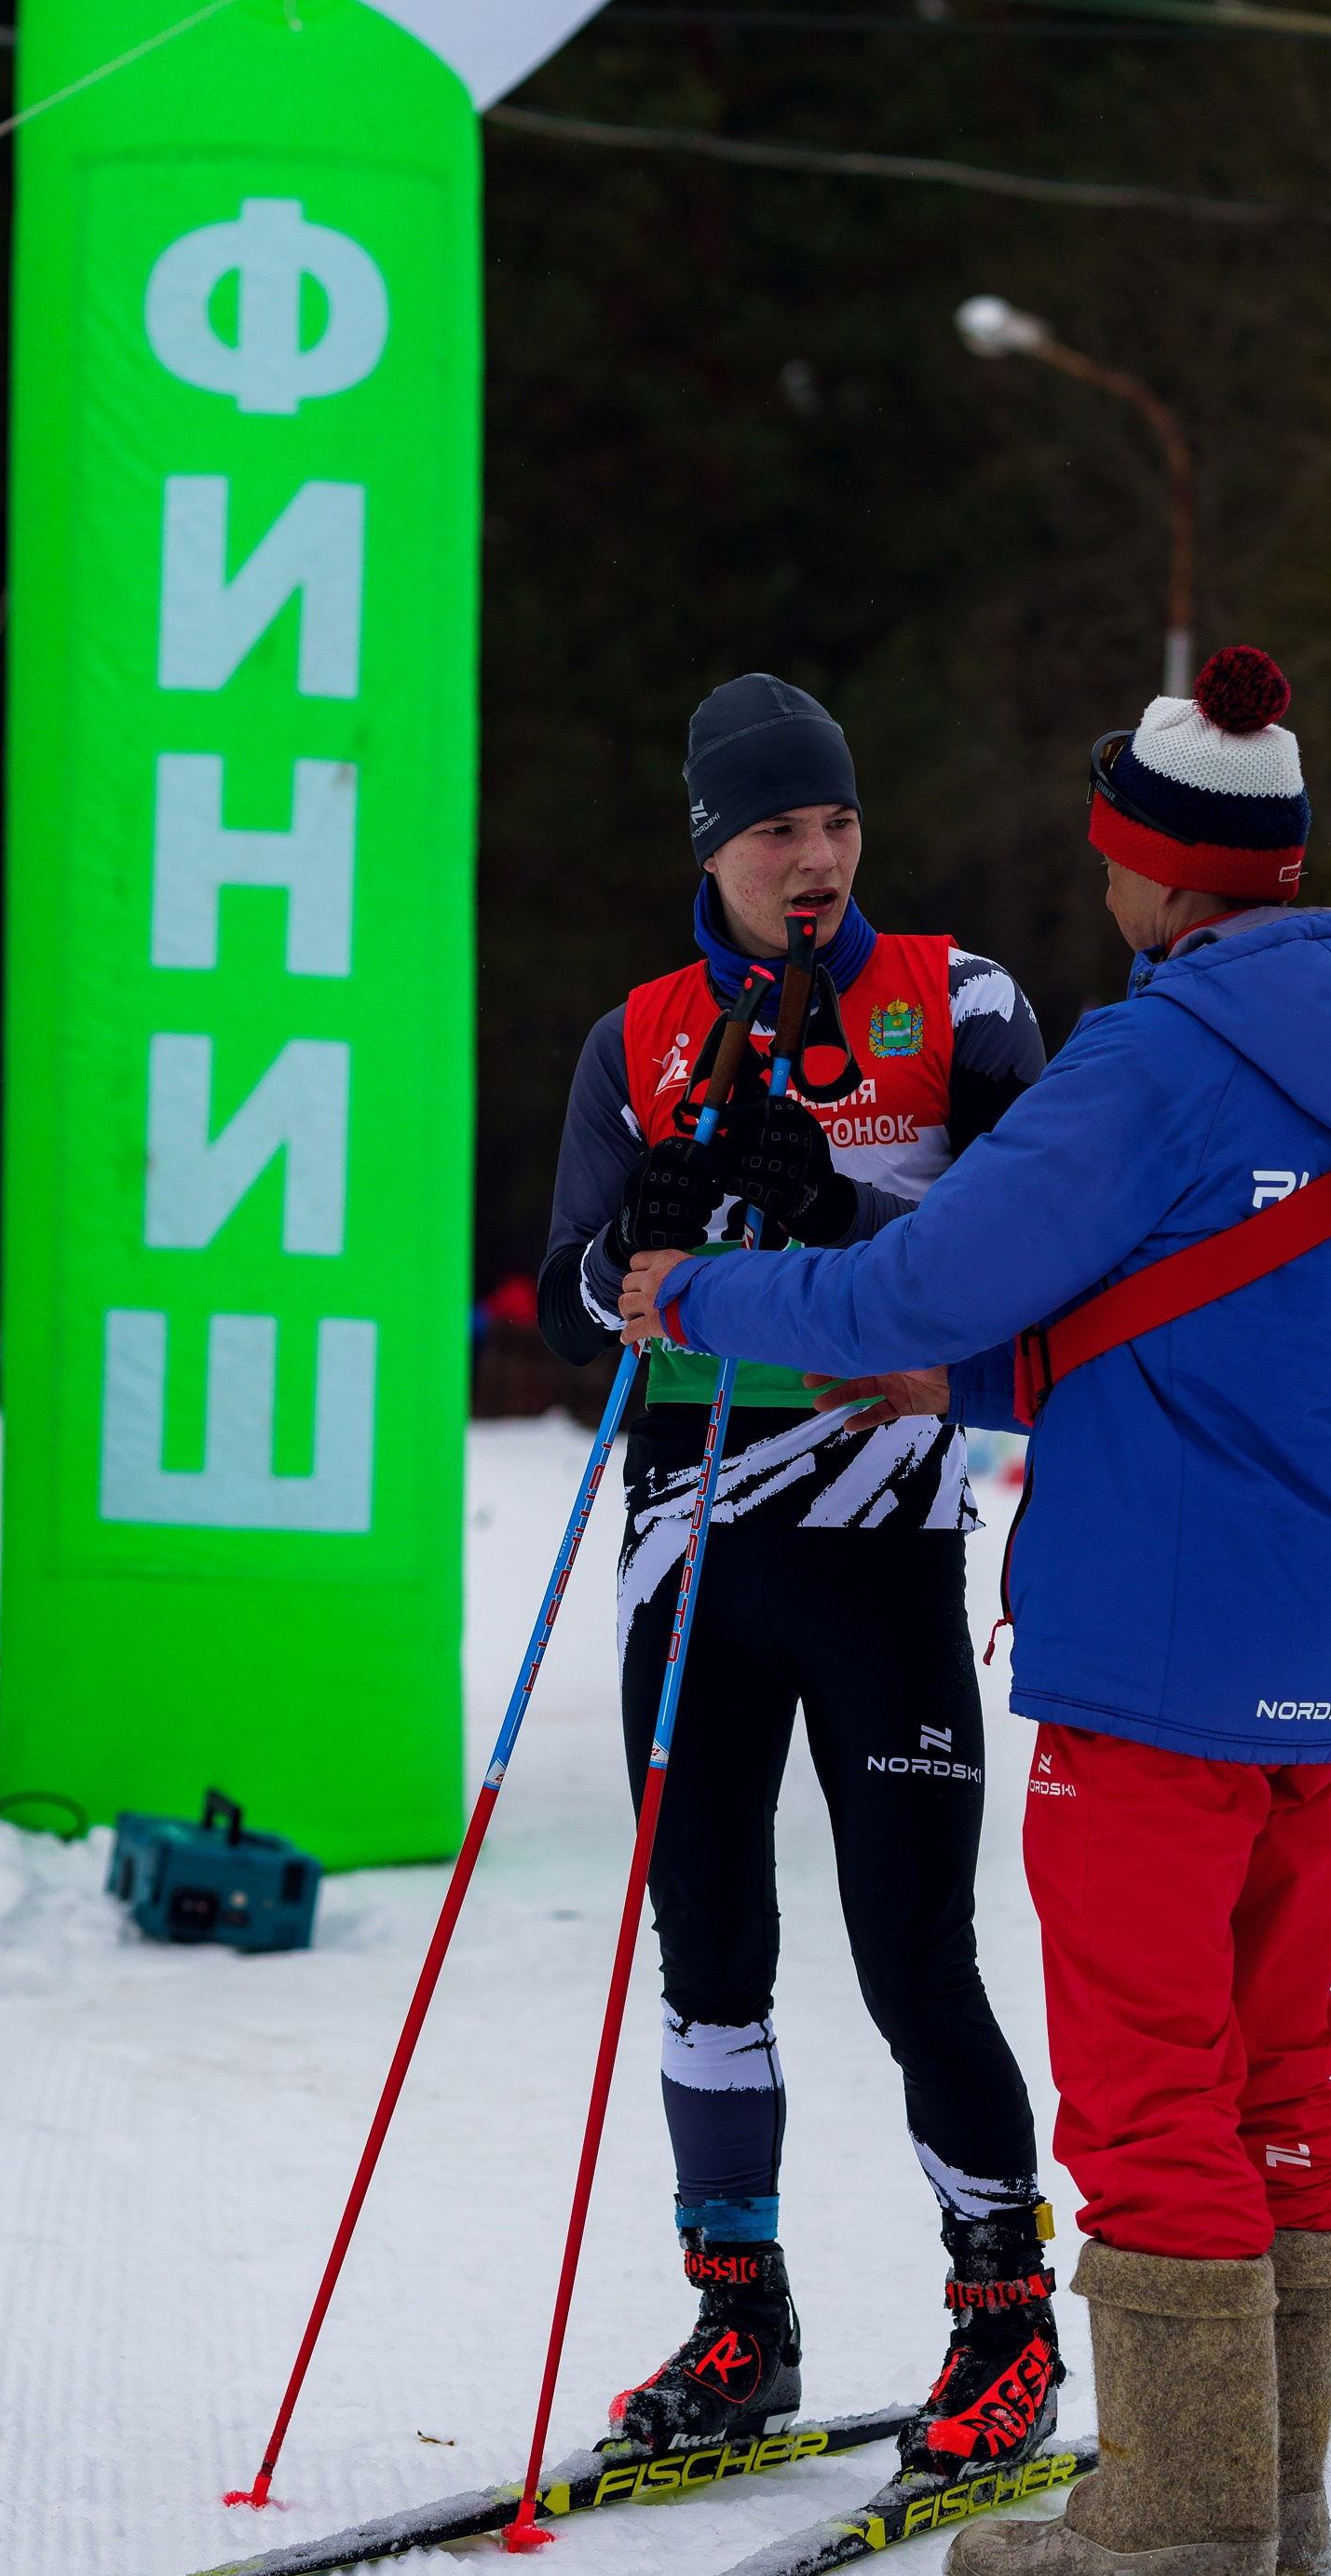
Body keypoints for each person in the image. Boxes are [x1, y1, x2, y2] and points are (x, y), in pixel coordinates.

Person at [618, 646, 1331, 2576]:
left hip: (1147, 1652)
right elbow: (1229, 1308)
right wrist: (977, 1379)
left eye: (1110, 868)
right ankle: (1276, 2487)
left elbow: (921, 1266)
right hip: (1322, 1642)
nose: (1101, 899)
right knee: (1281, 2063)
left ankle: (1175, 2526)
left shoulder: (1150, 1056)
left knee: (1148, 2074)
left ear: (1157, 873)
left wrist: (707, 1303)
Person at [539, 670, 1063, 2483]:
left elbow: (1042, 1256)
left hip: (880, 1546)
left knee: (914, 1955)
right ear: (717, 845)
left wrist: (837, 1209)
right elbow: (558, 1296)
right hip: (688, 1552)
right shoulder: (640, 1033)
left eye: (836, 820)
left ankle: (1004, 2319)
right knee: (707, 1957)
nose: (817, 855)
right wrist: (649, 1220)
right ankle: (735, 2314)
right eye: (780, 828)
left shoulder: (961, 1002)